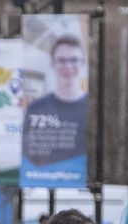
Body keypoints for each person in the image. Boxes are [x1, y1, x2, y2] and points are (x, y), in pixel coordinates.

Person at [22, 35, 89, 173]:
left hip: (80, 188)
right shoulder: (36, 108)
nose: (68, 66)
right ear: (52, 64)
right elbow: (28, 153)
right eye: (62, 60)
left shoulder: (91, 110)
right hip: (40, 185)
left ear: (83, 63)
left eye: (74, 60)